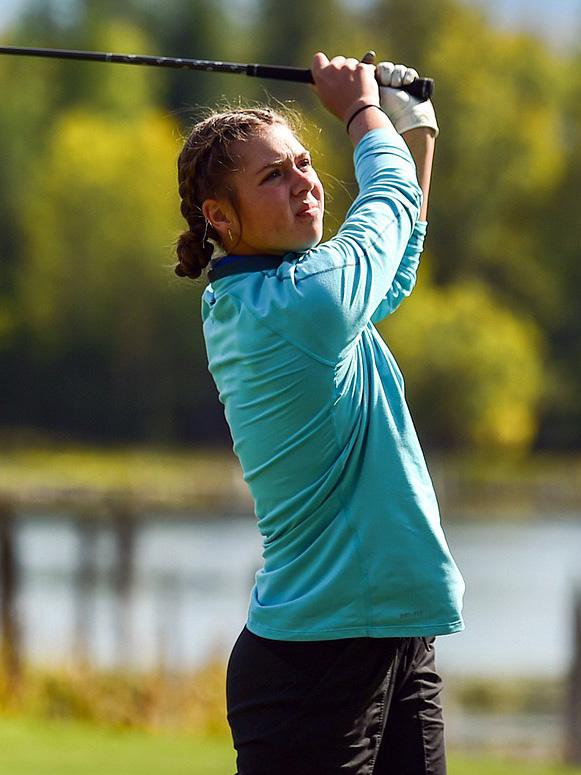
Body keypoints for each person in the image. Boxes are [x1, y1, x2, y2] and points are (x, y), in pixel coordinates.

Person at [175, 52, 465, 775]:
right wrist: (362, 111)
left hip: (391, 636)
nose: (304, 181)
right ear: (220, 217)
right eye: (273, 175)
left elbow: (393, 260)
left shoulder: (286, 292)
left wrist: (413, 127)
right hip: (315, 664)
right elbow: (386, 210)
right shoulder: (295, 306)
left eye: (303, 163)